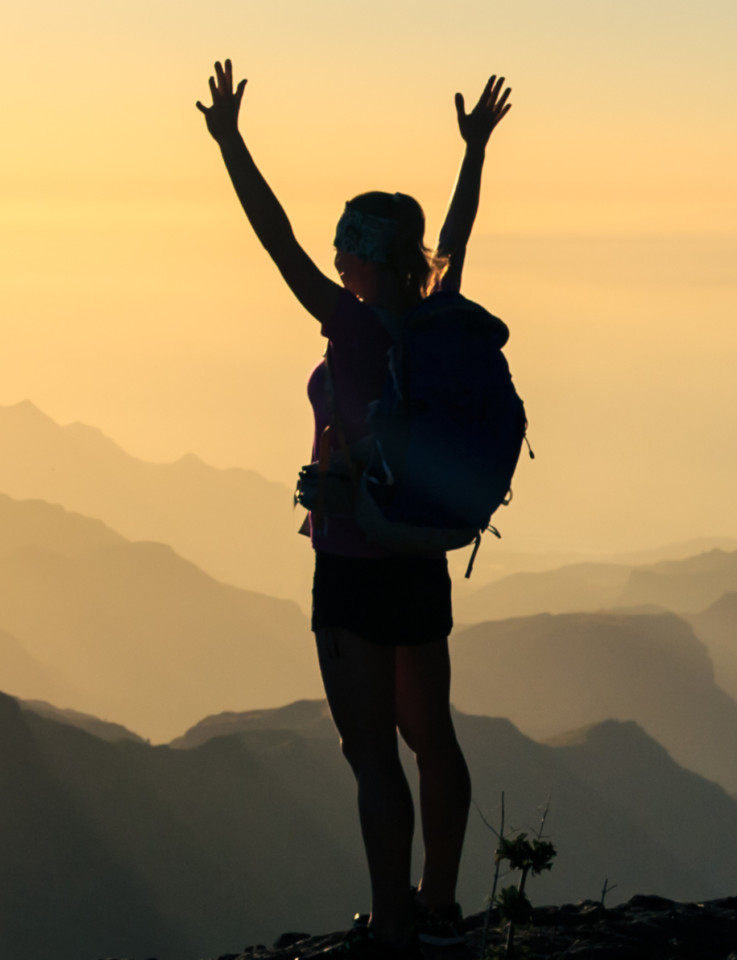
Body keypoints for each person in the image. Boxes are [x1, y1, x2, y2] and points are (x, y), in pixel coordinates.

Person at [197, 60, 513, 959]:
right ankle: (441, 900)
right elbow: (455, 232)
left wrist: (230, 143)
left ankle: (395, 923)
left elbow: (275, 239)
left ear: (360, 255)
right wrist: (475, 154)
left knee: (372, 752)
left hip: (350, 556)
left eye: (346, 248)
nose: (335, 259)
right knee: (432, 738)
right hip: (420, 552)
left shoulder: (352, 322)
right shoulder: (434, 315)